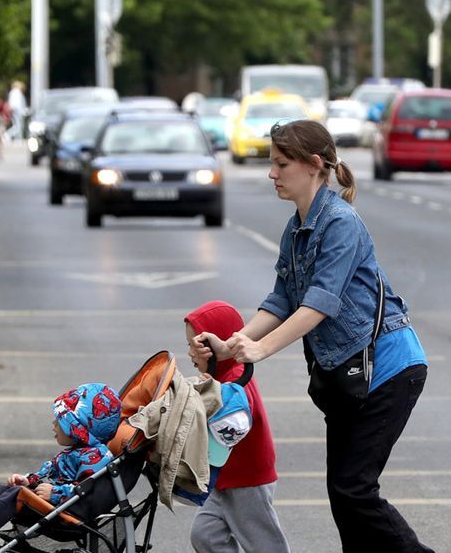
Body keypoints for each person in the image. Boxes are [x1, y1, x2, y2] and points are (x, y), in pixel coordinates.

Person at [195, 119, 431, 553]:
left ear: (314, 165)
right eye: (273, 164)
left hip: (390, 370)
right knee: (345, 497)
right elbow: (282, 298)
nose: (272, 174)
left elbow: (321, 303)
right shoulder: (296, 227)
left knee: (354, 490)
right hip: (348, 376)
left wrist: (261, 349)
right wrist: (232, 345)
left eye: (281, 164)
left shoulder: (341, 222)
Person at [0, 383, 122, 552]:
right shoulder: (76, 451)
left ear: (78, 431)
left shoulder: (96, 458)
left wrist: (55, 493)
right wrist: (31, 480)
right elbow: (50, 471)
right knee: (1, 490)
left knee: (18, 494)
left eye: (60, 422)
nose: (54, 424)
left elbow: (89, 491)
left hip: (66, 516)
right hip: (54, 508)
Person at [184, 301, 290, 553]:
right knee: (205, 535)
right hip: (222, 477)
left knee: (264, 543)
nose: (189, 353)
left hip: (247, 479)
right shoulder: (217, 378)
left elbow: (236, 420)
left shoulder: (236, 377)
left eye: (193, 346)